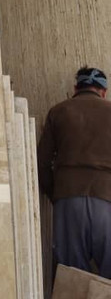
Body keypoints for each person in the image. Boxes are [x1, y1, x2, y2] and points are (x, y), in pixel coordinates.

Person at [38, 66, 111, 279]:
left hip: (68, 199)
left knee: (72, 277)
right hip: (107, 199)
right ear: (103, 92)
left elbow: (42, 162)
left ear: (76, 88)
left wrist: (56, 194)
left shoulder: (58, 111)